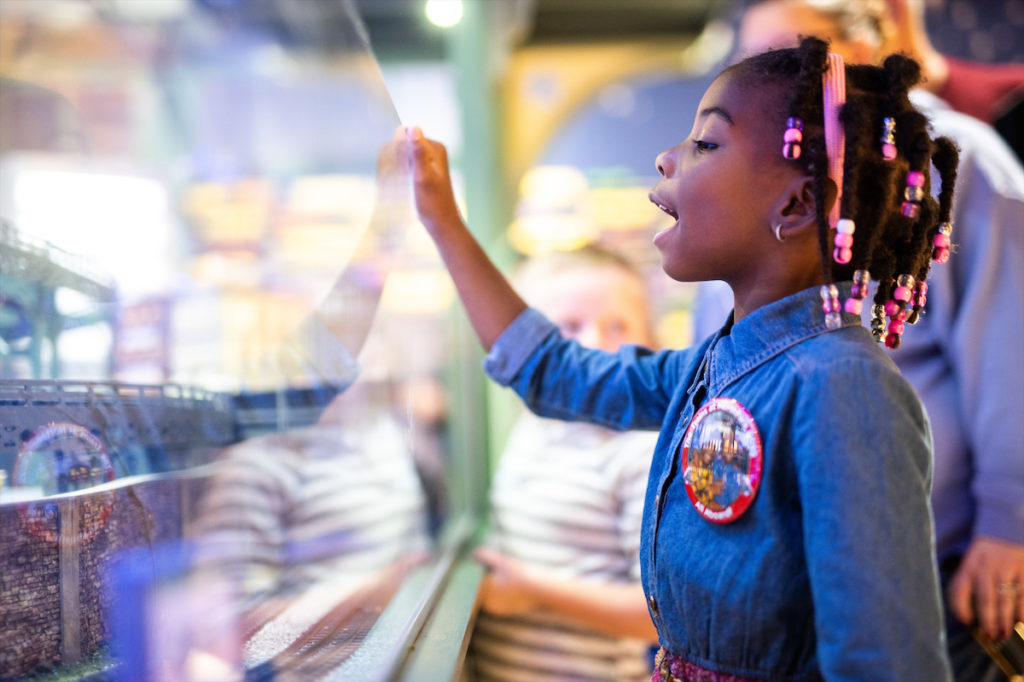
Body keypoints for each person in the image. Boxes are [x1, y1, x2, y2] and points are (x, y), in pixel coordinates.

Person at [398, 35, 958, 681]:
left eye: (706, 143)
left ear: (798, 204)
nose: (666, 159)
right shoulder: (709, 369)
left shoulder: (845, 386)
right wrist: (443, 221)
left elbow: (883, 662)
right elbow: (553, 372)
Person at [694, 2, 1024, 678]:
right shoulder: (748, 172)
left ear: (866, 47)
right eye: (755, 59)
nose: (775, 76)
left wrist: (1009, 522)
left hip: (923, 567)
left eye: (796, 51)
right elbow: (715, 350)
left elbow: (1010, 351)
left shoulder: (951, 159)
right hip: (785, 581)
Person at [467, 246, 659, 682]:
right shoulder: (530, 430)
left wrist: (536, 590)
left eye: (617, 326)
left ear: (648, 340)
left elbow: (657, 616)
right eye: (568, 328)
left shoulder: (636, 452)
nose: (593, 343)